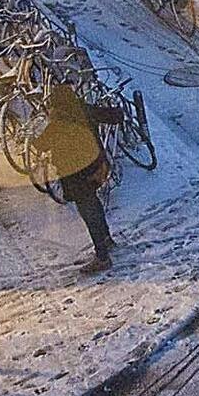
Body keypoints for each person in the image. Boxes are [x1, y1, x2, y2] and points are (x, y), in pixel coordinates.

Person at [39, 81, 115, 273]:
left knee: (89, 214)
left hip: (75, 178)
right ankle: (106, 239)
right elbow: (114, 116)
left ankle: (102, 256)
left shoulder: (57, 124)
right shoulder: (83, 110)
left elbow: (40, 145)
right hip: (95, 170)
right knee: (95, 206)